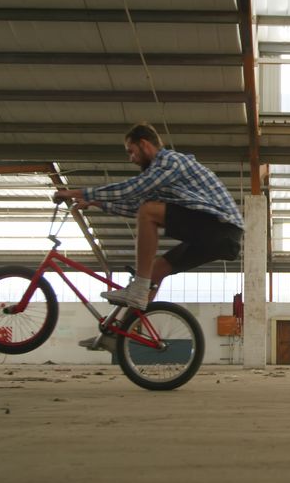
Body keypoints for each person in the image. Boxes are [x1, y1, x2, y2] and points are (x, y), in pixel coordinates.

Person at [53, 122, 244, 351]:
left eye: (131, 151)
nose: (130, 159)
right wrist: (96, 203)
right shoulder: (159, 178)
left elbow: (133, 189)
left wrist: (76, 192)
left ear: (144, 145)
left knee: (149, 213)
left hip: (221, 227)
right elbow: (137, 207)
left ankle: (140, 287)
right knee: (156, 268)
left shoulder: (171, 162)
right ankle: (119, 335)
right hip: (215, 236)